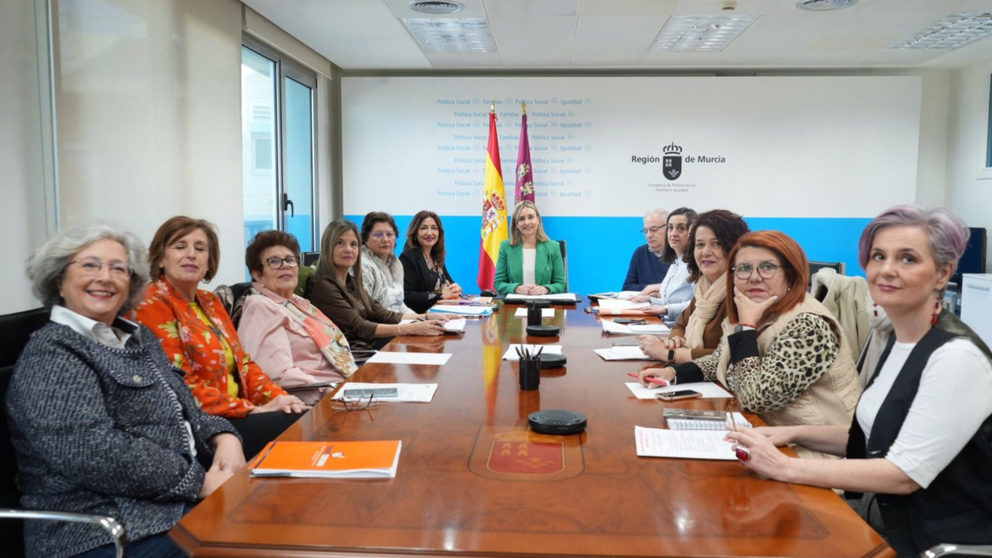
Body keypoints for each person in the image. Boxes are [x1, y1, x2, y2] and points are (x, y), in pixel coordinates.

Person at [725, 207, 992, 557]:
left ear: (943, 273)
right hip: (882, 516)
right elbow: (878, 435)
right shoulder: (903, 341)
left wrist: (785, 466)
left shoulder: (956, 356)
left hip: (928, 540)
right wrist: (792, 434)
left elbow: (904, 474)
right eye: (878, 256)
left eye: (908, 258)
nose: (886, 269)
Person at [7, 223, 244, 558]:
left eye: (118, 268)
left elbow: (183, 405)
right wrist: (198, 482)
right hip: (102, 532)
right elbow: (93, 451)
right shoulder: (53, 352)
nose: (105, 277)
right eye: (90, 265)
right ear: (59, 279)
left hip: (169, 508)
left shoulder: (139, 337)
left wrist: (224, 437)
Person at [640, 230, 862, 458]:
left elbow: (754, 399)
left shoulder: (808, 324)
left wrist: (746, 327)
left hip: (814, 454)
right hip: (765, 437)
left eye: (767, 267)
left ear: (791, 275)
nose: (754, 277)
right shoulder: (758, 308)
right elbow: (720, 360)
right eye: (744, 269)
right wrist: (673, 372)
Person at [133, 216, 309, 459]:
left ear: (209, 261)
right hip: (200, 424)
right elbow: (178, 383)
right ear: (161, 258)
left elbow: (244, 363)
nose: (192, 254)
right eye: (180, 246)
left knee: (298, 414)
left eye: (200, 248)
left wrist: (278, 397)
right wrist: (251, 409)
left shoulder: (210, 301)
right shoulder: (151, 302)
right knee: (300, 430)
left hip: (236, 413)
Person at [237, 230, 358, 405]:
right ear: (257, 274)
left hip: (346, 386)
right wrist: (334, 392)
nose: (285, 266)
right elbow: (279, 376)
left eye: (290, 260)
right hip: (323, 401)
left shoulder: (297, 303)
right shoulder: (261, 307)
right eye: (274, 261)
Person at [309, 219, 445, 351]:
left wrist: (427, 317)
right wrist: (409, 328)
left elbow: (383, 314)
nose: (348, 249)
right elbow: (359, 326)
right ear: (328, 247)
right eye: (340, 243)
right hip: (353, 354)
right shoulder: (323, 285)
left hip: (368, 346)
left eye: (353, 244)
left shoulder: (352, 281)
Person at [639, 210, 748, 363]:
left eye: (716, 243)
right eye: (700, 245)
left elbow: (732, 355)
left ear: (734, 247)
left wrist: (671, 355)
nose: (706, 252)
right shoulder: (704, 287)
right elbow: (680, 325)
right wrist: (675, 339)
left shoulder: (742, 293)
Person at [634, 207, 697, 322]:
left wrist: (665, 309)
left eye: (681, 229)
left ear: (692, 233)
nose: (673, 233)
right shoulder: (675, 262)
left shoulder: (695, 264)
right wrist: (650, 300)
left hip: (681, 328)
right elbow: (669, 301)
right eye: (670, 228)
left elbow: (698, 305)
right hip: (666, 323)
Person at [495, 201, 566, 295]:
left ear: (538, 220)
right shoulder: (506, 247)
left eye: (531, 217)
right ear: (516, 224)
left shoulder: (553, 247)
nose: (527, 222)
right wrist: (516, 288)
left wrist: (546, 289)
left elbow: (561, 284)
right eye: (521, 219)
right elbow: (499, 283)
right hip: (514, 305)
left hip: (545, 305)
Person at [400, 210, 462, 313]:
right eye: (423, 228)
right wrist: (441, 295)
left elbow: (450, 284)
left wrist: (455, 289)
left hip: (440, 315)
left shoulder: (436, 257)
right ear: (415, 232)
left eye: (434, 228)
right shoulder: (408, 257)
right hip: (419, 319)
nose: (429, 233)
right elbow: (407, 296)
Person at [359, 211, 413, 313]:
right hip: (379, 325)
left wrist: (422, 319)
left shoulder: (396, 263)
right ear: (365, 238)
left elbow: (399, 305)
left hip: (398, 322)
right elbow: (367, 311)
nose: (385, 239)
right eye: (378, 235)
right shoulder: (363, 265)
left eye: (389, 234)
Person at [622, 208, 671, 292]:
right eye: (645, 231)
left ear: (668, 228)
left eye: (654, 229)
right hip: (645, 303)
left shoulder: (679, 253)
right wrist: (652, 288)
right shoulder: (640, 253)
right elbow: (627, 287)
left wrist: (658, 288)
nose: (649, 235)